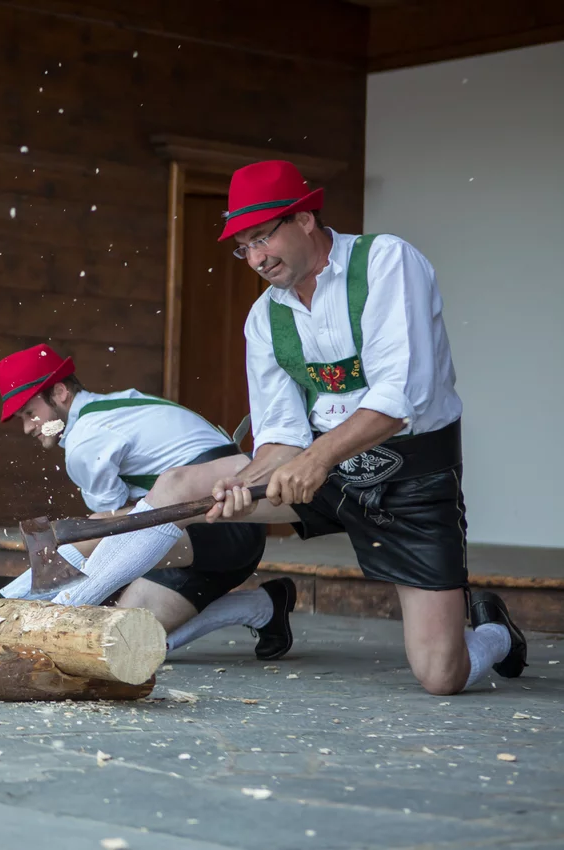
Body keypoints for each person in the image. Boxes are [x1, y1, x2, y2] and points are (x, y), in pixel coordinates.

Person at [55, 161, 526, 696]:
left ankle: (496, 634)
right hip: (321, 474)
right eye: (244, 247)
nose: (256, 258)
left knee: (441, 675)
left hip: (411, 477)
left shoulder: (386, 262)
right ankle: (64, 609)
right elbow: (280, 435)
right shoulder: (264, 318)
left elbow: (402, 398)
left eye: (263, 238)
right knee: (183, 485)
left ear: (304, 219)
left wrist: (316, 459)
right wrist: (246, 482)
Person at [0, 343, 295, 659]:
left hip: (223, 527)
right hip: (210, 535)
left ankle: (10, 603)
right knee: (122, 640)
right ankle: (265, 606)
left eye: (29, 413)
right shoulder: (110, 409)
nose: (28, 428)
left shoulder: (85, 439)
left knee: (94, 530)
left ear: (60, 393)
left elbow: (112, 526)